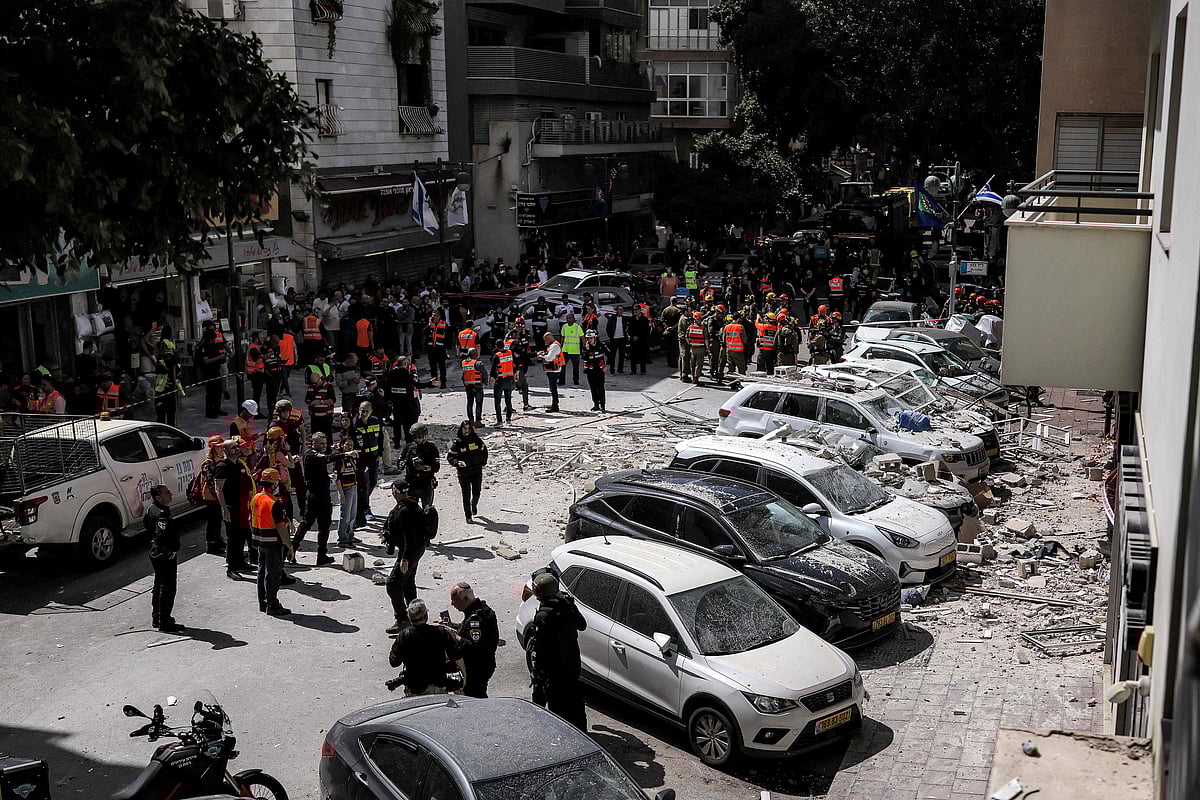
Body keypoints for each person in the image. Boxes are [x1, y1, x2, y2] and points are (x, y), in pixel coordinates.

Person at [527, 571, 588, 731]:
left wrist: (537, 676)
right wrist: (571, 605)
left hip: (555, 671)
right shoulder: (566, 605)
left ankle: (565, 740)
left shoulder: (544, 615)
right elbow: (582, 625)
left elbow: (541, 650)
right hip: (572, 665)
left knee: (558, 711)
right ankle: (583, 735)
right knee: (575, 703)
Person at [383, 480, 429, 634]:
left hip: (410, 552)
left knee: (393, 584)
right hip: (415, 551)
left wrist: (404, 559)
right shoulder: (410, 505)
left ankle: (402, 619)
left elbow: (409, 537)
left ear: (394, 492)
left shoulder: (404, 511)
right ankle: (416, 615)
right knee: (408, 583)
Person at [388, 599, 459, 695]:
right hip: (439, 685)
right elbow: (456, 656)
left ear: (409, 617)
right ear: (426, 616)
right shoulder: (440, 632)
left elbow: (394, 662)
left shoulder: (404, 635)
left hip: (416, 688)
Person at [250, 468, 293, 616]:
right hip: (273, 542)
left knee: (261, 572)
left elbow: (252, 519)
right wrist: (289, 546)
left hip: (259, 541)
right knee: (273, 574)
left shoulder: (256, 498)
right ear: (274, 484)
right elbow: (281, 528)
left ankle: (263, 602)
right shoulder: (274, 503)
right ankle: (272, 604)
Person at [291, 432, 337, 566]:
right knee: (307, 523)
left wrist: (327, 477)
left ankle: (321, 555)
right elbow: (326, 458)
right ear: (314, 443)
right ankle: (291, 549)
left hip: (322, 494)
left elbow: (318, 472)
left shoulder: (317, 456)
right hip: (315, 496)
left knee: (324, 526)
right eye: (321, 443)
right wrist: (345, 454)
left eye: (325, 443)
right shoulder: (312, 455)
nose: (324, 446)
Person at [214, 436, 256, 578]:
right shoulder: (222, 466)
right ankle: (231, 568)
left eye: (236, 446)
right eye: (233, 447)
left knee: (243, 534)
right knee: (233, 537)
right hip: (231, 506)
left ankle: (240, 562)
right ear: (224, 450)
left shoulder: (239, 464)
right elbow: (219, 489)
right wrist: (224, 509)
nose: (237, 449)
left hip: (243, 505)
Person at [144, 485, 182, 632]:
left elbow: (146, 524)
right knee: (167, 588)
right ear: (159, 498)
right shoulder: (161, 513)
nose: (170, 493)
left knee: (159, 584)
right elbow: (161, 534)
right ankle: (164, 621)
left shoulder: (152, 508)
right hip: (163, 555)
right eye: (167, 493)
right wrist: (169, 551)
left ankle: (158, 617)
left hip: (155, 552)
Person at [450, 583, 499, 698]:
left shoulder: (475, 618)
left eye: (455, 600)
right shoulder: (482, 610)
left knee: (475, 698)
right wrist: (453, 626)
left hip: (477, 667)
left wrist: (454, 636)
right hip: (485, 663)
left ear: (465, 598)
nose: (452, 604)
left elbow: (473, 646)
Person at [447, 420, 488, 523]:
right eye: (464, 428)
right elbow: (450, 457)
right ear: (461, 429)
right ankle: (468, 516)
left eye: (468, 428)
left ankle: (473, 504)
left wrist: (483, 462)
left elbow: (484, 451)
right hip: (463, 473)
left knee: (477, 492)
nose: (467, 430)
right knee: (466, 494)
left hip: (476, 470)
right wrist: (457, 463)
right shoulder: (458, 443)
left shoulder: (476, 440)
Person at [198, 435, 227, 555]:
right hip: (211, 497)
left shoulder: (220, 459)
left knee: (218, 519)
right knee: (213, 520)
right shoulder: (208, 463)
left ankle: (218, 539)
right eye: (219, 447)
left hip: (217, 495)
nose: (222, 449)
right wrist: (218, 495)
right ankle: (211, 545)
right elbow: (210, 482)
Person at [401, 422, 440, 510]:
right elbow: (401, 462)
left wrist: (424, 468)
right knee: (411, 511)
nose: (417, 439)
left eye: (419, 437)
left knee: (427, 511)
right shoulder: (409, 447)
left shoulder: (432, 448)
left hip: (426, 484)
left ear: (425, 435)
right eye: (414, 437)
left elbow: (436, 467)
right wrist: (405, 463)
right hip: (411, 484)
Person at [333, 437, 360, 548]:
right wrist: (341, 494)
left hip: (354, 487)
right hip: (346, 489)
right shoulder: (340, 460)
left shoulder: (352, 458)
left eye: (351, 445)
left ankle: (350, 535)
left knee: (353, 514)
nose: (350, 447)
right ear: (342, 446)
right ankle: (342, 539)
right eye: (347, 445)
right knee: (345, 515)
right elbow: (337, 478)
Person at [197, 328, 227, 419]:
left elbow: (218, 356)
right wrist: (218, 358)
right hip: (209, 373)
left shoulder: (214, 346)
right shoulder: (204, 348)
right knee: (211, 393)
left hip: (216, 371)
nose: (214, 341)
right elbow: (206, 361)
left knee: (218, 392)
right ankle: (210, 412)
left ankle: (217, 409)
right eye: (212, 339)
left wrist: (223, 357)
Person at [152, 348, 184, 425]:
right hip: (161, 392)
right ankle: (160, 429)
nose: (168, 359)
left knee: (171, 413)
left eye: (170, 357)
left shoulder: (176, 366)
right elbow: (160, 369)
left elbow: (179, 376)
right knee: (161, 413)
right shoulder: (160, 364)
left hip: (172, 392)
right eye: (167, 357)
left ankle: (171, 429)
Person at [581, 330, 609, 412]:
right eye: (588, 338)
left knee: (600, 388)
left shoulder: (601, 345)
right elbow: (584, 357)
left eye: (591, 338)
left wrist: (607, 365)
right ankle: (596, 405)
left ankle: (602, 405)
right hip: (590, 371)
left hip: (599, 370)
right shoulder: (585, 347)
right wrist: (587, 350)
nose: (589, 340)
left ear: (595, 338)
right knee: (593, 388)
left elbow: (610, 355)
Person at [489, 340, 516, 426]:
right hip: (509, 379)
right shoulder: (510, 353)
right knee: (508, 400)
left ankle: (499, 421)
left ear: (496, 346)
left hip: (500, 380)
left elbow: (492, 371)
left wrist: (492, 378)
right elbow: (515, 364)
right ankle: (508, 419)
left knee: (497, 401)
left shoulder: (497, 356)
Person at [536, 332, 564, 413]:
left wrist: (541, 356)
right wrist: (544, 353)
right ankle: (555, 404)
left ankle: (555, 406)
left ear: (549, 338)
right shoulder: (552, 346)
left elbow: (549, 358)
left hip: (554, 370)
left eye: (546, 340)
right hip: (552, 370)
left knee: (553, 388)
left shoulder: (554, 346)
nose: (545, 342)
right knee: (553, 388)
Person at [460, 347, 486, 427]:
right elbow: (484, 374)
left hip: (468, 386)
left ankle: (471, 421)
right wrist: (486, 382)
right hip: (477, 385)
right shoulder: (478, 363)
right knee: (478, 403)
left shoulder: (463, 362)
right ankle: (478, 421)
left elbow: (463, 375)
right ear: (475, 354)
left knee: (469, 403)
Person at [683, 311, 709, 385]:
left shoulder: (690, 327)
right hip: (700, 348)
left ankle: (693, 376)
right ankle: (696, 378)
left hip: (693, 348)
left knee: (693, 363)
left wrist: (690, 344)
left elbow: (686, 337)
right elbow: (706, 339)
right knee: (699, 363)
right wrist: (708, 349)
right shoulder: (703, 328)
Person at [559, 313, 583, 386]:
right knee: (562, 366)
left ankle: (576, 381)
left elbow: (582, 338)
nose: (568, 320)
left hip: (575, 351)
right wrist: (560, 347)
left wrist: (585, 347)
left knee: (576, 367)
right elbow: (562, 337)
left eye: (569, 318)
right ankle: (561, 381)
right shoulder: (564, 327)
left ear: (573, 319)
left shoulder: (577, 327)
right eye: (567, 318)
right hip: (565, 350)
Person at [427, 312, 448, 388]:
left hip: (440, 349)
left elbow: (448, 337)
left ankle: (443, 383)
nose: (434, 317)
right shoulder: (430, 324)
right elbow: (423, 333)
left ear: (439, 316)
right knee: (433, 368)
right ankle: (434, 383)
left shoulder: (444, 324)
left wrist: (448, 349)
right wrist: (429, 325)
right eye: (432, 316)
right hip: (431, 349)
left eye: (435, 316)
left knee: (442, 367)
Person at [604, 307, 628, 375]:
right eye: (619, 309)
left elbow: (625, 327)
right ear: (616, 310)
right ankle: (612, 370)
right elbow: (608, 328)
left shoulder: (624, 318)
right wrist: (611, 336)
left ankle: (620, 369)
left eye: (622, 309)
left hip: (622, 338)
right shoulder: (612, 318)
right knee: (612, 355)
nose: (620, 311)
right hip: (614, 338)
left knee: (622, 355)